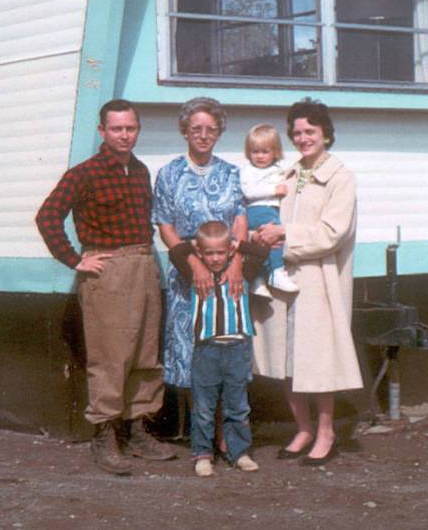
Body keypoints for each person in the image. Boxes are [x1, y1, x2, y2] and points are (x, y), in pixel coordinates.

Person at [36, 99, 176, 476]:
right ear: (102, 131)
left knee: (146, 352)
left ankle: (137, 430)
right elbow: (48, 216)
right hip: (107, 271)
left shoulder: (142, 171)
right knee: (110, 354)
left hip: (144, 265)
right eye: (117, 129)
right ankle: (105, 434)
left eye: (130, 128)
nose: (124, 135)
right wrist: (75, 259)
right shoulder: (84, 173)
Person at [251, 99, 363, 466]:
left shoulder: (340, 177)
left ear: (325, 133)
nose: (303, 138)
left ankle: (327, 430)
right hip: (282, 278)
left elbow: (332, 232)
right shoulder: (287, 174)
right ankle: (302, 427)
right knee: (286, 357)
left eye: (310, 131)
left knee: (317, 358)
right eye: (297, 132)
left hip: (318, 278)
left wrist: (284, 234)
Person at [152, 97, 248, 429]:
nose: (203, 135)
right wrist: (192, 264)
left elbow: (239, 220)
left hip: (227, 274)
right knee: (195, 351)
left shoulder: (232, 173)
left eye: (210, 129)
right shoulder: (168, 173)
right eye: (196, 129)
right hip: (186, 275)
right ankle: (202, 433)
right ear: (185, 131)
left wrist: (236, 263)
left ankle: (227, 433)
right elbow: (165, 225)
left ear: (219, 132)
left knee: (226, 349)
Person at [168, 221, 267, 477]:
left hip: (237, 350)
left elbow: (262, 253)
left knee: (237, 406)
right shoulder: (196, 274)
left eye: (220, 252)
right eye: (208, 253)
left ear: (229, 251)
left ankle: (239, 452)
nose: (214, 258)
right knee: (203, 406)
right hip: (206, 350)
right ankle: (202, 454)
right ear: (200, 253)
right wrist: (194, 247)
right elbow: (175, 252)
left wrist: (237, 245)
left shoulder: (241, 272)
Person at [240, 124, 297, 293]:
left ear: (275, 151)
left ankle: (257, 279)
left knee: (261, 244)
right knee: (274, 239)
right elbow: (248, 192)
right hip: (257, 210)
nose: (259, 156)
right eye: (255, 151)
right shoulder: (247, 170)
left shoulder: (278, 170)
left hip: (271, 209)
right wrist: (274, 190)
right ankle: (276, 271)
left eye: (265, 152)